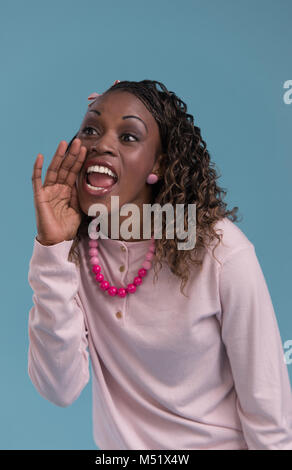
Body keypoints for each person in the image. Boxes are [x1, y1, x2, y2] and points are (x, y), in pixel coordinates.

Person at [27, 79, 292, 450]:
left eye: (129, 137)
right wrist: (52, 249)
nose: (101, 144)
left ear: (159, 163)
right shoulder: (76, 250)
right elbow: (59, 388)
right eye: (91, 129)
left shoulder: (219, 250)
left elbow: (268, 407)